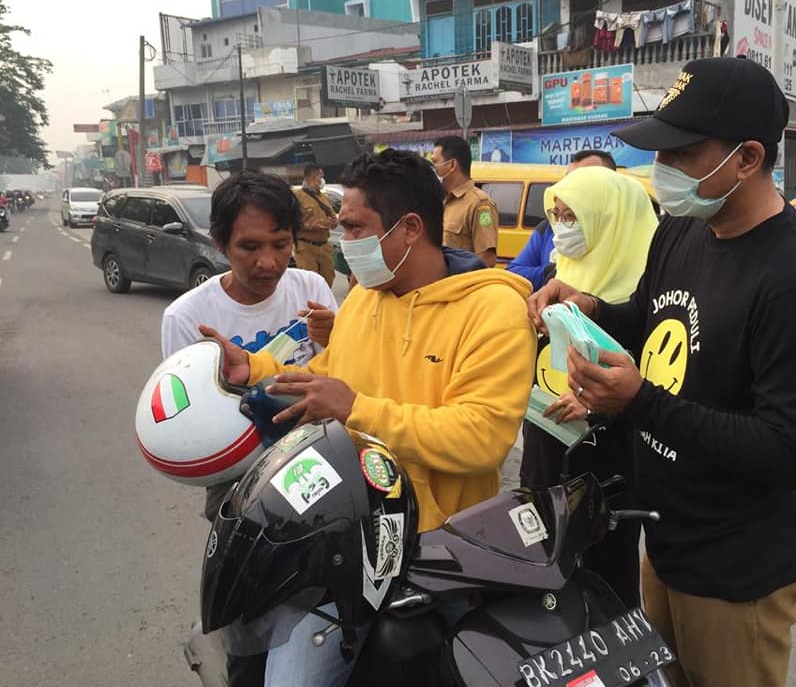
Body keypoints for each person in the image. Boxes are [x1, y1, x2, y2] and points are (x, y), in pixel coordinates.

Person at [529, 57, 796, 687]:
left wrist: (640, 402)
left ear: (749, 158)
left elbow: (791, 451)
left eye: (681, 155)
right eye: (658, 153)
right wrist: (592, 308)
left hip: (737, 569)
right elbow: (649, 316)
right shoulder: (682, 229)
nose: (661, 171)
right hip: (666, 537)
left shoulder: (794, 282)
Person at [201, 149, 536, 687]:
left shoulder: (491, 312)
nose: (342, 240)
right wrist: (257, 369)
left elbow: (483, 438)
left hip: (436, 554)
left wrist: (358, 408)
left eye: (355, 227)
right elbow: (328, 376)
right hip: (339, 539)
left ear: (408, 229)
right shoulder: (363, 300)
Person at [161, 172, 338, 687]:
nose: (268, 262)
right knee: (250, 620)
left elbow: (344, 374)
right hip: (241, 489)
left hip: (321, 465)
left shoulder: (313, 290)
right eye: (249, 247)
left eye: (281, 244)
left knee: (324, 597)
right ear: (220, 244)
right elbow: (185, 425)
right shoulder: (187, 317)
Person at [519, 165, 658, 609]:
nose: (561, 227)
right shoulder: (560, 280)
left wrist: (597, 408)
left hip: (607, 470)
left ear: (609, 220)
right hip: (545, 458)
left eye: (572, 216)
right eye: (557, 214)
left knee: (605, 589)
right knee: (543, 588)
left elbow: (652, 386)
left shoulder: (645, 296)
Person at [506, 149, 617, 292]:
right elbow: (513, 272)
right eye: (568, 180)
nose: (571, 188)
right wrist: (551, 272)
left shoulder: (624, 237)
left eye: (583, 181)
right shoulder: (549, 228)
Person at [432, 136, 499, 267]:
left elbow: (486, 259)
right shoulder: (440, 200)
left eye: (435, 162)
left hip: (461, 284)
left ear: (452, 165)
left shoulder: (479, 204)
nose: (433, 169)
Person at [293, 163, 338, 287]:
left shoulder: (324, 197)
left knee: (327, 281)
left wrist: (333, 223)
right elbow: (290, 222)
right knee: (310, 284)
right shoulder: (297, 197)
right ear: (312, 177)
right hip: (306, 247)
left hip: (324, 247)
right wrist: (309, 226)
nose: (322, 180)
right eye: (320, 176)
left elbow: (334, 220)